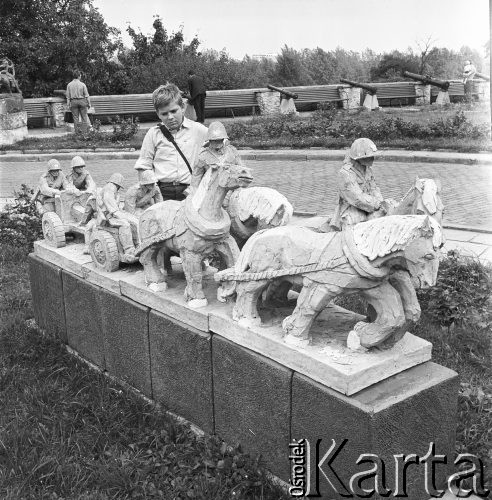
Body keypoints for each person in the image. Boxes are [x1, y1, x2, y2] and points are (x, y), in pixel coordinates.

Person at [134, 82, 208, 202]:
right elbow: (143, 165)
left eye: (174, 111)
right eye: (164, 113)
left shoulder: (198, 130)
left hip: (190, 191)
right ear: (158, 114)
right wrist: (151, 187)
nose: (170, 117)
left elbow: (221, 146)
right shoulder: (153, 133)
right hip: (162, 191)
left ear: (182, 107)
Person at [329, 138, 386, 231]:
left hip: (369, 205)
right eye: (369, 157)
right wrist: (376, 204)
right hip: (351, 207)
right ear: (359, 158)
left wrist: (381, 202)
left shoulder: (367, 170)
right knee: (356, 223)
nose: (372, 159)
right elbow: (356, 197)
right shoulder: (345, 173)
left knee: (382, 218)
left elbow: (374, 188)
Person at [96, 173, 138, 262]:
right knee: (125, 224)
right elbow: (111, 206)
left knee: (134, 220)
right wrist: (120, 215)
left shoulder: (113, 189)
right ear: (118, 183)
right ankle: (129, 250)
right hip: (108, 217)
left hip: (114, 213)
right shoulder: (110, 188)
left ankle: (138, 244)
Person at [191, 121, 243, 191]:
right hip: (212, 192)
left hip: (231, 191)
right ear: (209, 140)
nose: (217, 143)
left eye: (220, 140)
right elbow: (195, 179)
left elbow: (243, 170)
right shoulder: (203, 156)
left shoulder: (232, 151)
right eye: (215, 140)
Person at [66, 70, 91, 134]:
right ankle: (84, 133)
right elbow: (87, 95)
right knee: (84, 117)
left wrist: (68, 105)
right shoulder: (82, 84)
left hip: (73, 102)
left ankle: (77, 133)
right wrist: (89, 103)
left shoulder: (69, 85)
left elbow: (68, 97)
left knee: (75, 118)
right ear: (79, 76)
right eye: (80, 75)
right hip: (82, 101)